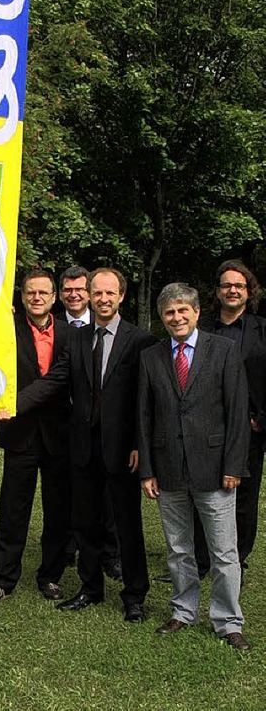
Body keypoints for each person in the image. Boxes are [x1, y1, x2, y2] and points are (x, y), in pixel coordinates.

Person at [11, 268, 154, 623]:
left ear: (122, 296)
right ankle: (90, 588)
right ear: (89, 295)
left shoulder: (139, 340)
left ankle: (134, 595)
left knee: (126, 525)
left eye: (110, 293)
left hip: (122, 449)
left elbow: (144, 399)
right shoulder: (76, 339)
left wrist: (139, 443)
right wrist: (15, 404)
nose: (103, 299)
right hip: (81, 446)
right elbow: (56, 379)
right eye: (97, 293)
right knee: (85, 521)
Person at [138, 282, 250, 650]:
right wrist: (148, 470)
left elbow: (237, 413)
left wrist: (234, 464)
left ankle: (227, 620)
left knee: (223, 552)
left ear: (197, 312)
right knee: (179, 549)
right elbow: (144, 417)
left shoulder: (223, 351)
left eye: (183, 310)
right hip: (168, 468)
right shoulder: (151, 357)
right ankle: (183, 611)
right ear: (162, 318)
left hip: (215, 469)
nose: (177, 317)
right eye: (169, 312)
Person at [0, 268, 73, 606]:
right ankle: (2, 579)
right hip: (19, 435)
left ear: (54, 297)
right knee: (13, 510)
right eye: (30, 292)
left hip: (59, 436)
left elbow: (60, 381)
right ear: (21, 297)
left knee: (58, 511)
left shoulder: (69, 334)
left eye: (43, 293)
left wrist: (16, 404)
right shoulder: (5, 331)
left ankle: (50, 576)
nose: (37, 298)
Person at [194, 260, 266, 578]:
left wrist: (261, 419)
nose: (232, 290)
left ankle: (238, 556)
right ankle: (201, 557)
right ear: (218, 291)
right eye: (226, 285)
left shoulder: (263, 329)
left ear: (249, 292)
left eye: (239, 285)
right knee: (201, 490)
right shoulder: (201, 328)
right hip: (206, 426)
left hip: (250, 427)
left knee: (244, 495)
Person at [58, 265, 122, 581]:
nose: (75, 295)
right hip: (71, 428)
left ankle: (112, 556)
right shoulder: (61, 330)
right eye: (67, 289)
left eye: (81, 289)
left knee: (110, 501)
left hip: (110, 436)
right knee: (76, 496)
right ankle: (75, 554)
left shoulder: (124, 335)